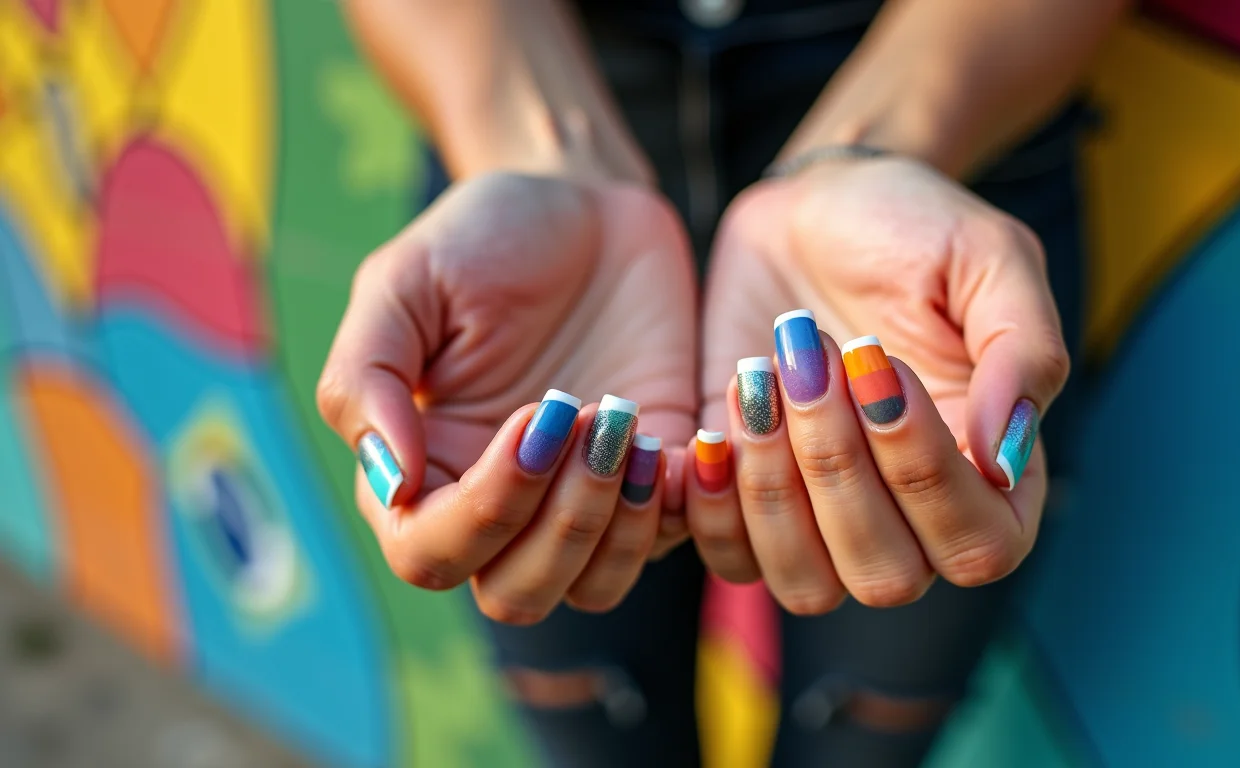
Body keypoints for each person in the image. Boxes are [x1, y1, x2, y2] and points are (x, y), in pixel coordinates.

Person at [317, 1, 1126, 765]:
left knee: (867, 723)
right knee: (592, 712)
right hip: (526, 200)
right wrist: (533, 146)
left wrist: (880, 142)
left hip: (946, 156)